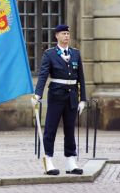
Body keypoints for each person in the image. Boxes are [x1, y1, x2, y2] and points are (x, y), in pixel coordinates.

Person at [31, 25, 86, 175]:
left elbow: (81, 77)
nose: (66, 36)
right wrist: (38, 94)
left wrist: (83, 99)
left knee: (70, 129)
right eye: (63, 33)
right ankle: (48, 160)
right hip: (56, 95)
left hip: (72, 96)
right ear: (57, 36)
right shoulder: (49, 54)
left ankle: (70, 161)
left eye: (68, 33)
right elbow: (43, 76)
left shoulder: (75, 54)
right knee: (50, 129)